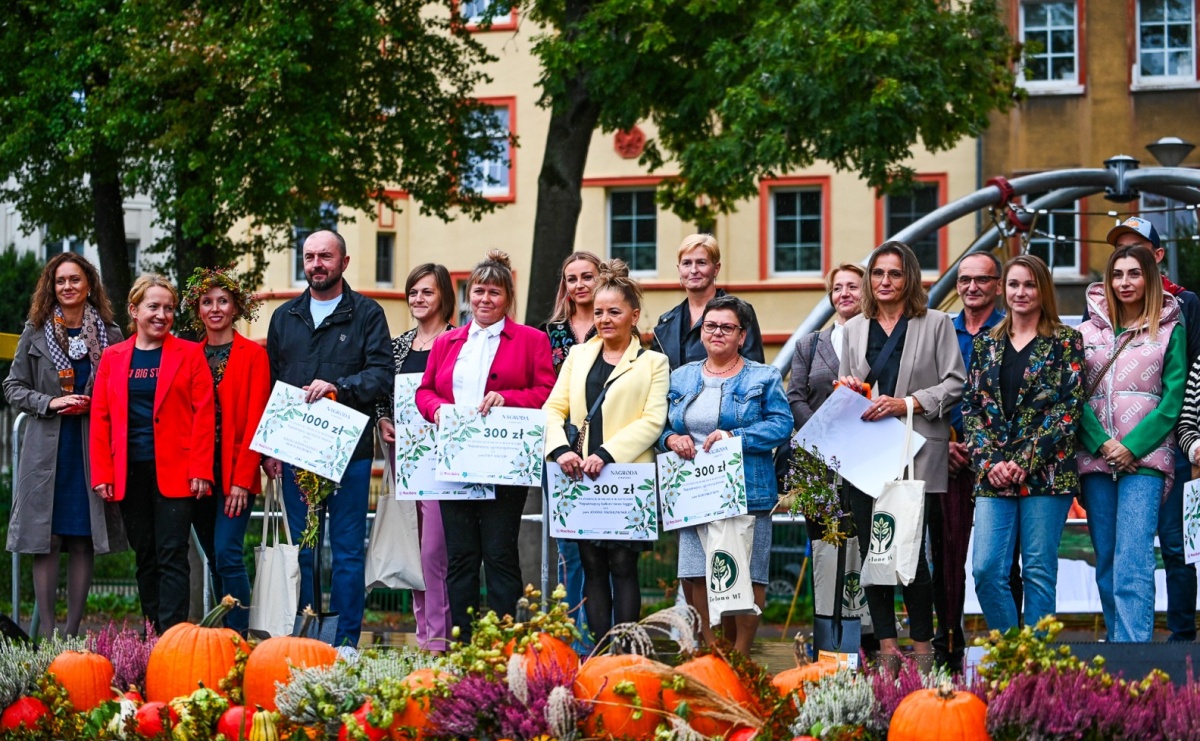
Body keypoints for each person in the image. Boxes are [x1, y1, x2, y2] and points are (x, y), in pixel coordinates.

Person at [415, 249, 556, 641]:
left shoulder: (531, 340)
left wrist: (508, 398)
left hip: (503, 462)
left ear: (507, 297)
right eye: (478, 291)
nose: (484, 300)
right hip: (456, 461)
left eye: (494, 293)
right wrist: (438, 410)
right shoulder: (448, 342)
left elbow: (546, 389)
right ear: (467, 295)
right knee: (460, 558)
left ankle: (502, 643)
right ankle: (461, 644)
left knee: (499, 554)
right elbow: (425, 391)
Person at [837, 241, 965, 671]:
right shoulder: (854, 328)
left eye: (894, 273)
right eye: (878, 274)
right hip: (867, 454)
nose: (885, 282)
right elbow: (845, 384)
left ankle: (924, 646)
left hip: (917, 453)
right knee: (874, 556)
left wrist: (906, 402)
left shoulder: (935, 324)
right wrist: (851, 392)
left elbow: (955, 383)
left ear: (909, 277)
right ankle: (888, 647)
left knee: (911, 554)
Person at [265, 230, 392, 648]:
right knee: (301, 553)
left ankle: (343, 643)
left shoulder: (368, 314)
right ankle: (303, 639)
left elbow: (380, 375)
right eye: (310, 256)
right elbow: (272, 385)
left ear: (344, 262)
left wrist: (338, 386)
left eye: (325, 256)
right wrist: (269, 451)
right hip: (295, 453)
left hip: (349, 454)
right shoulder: (285, 317)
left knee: (347, 554)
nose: (317, 264)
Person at [543, 260, 669, 648]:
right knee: (593, 568)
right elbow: (553, 409)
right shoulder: (579, 356)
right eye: (598, 312)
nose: (604, 319)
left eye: (614, 312)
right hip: (580, 477)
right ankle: (598, 655)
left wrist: (607, 453)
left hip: (626, 479)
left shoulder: (653, 362)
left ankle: (628, 653)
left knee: (623, 566)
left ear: (634, 315)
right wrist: (561, 450)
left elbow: (653, 421)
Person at [660, 295, 793, 655]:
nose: (717, 332)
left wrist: (736, 437)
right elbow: (660, 427)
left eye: (727, 327)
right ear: (702, 332)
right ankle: (711, 651)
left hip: (746, 489)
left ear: (742, 335)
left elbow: (783, 425)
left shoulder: (763, 377)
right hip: (692, 491)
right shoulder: (681, 376)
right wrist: (672, 437)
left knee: (746, 572)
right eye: (710, 325)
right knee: (694, 572)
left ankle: (741, 652)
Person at [4, 254, 126, 637]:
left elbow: (121, 390)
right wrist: (51, 402)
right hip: (46, 449)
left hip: (90, 447)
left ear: (89, 284)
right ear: (51, 287)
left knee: (82, 536)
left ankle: (72, 636)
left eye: (75, 279)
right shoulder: (36, 331)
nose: (68, 287)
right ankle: (47, 636)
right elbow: (12, 387)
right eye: (61, 281)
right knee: (47, 538)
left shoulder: (111, 334)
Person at [962, 255, 1085, 633]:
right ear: (1003, 288)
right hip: (994, 476)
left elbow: (1069, 408)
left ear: (1043, 289)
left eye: (1029, 285)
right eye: (1014, 284)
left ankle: (1035, 670)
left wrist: (1024, 459)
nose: (1021, 292)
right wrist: (991, 461)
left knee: (1037, 571)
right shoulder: (986, 344)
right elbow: (971, 407)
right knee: (986, 570)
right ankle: (1013, 652)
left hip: (1046, 476)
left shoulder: (1066, 341)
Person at [90, 274, 214, 632]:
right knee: (145, 556)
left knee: (172, 555)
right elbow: (101, 417)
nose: (162, 314)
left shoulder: (190, 354)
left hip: (177, 471)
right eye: (154, 307)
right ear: (134, 310)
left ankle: (173, 636)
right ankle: (151, 635)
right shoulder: (113, 358)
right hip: (129, 471)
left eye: (169, 308)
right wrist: (102, 474)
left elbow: (204, 414)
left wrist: (201, 468)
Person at [1077, 242, 1186, 643]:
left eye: (1134, 274)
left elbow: (1172, 400)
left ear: (1150, 278)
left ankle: (1135, 654)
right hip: (1095, 458)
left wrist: (1131, 447)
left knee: (1134, 557)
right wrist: (1103, 444)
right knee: (1105, 558)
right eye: (1118, 274)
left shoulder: (1171, 330)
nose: (1125, 282)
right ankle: (1117, 643)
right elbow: (1073, 396)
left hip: (1145, 461)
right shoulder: (1084, 332)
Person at [1105, 217, 1200, 644]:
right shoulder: (1098, 317)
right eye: (1119, 252)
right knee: (1123, 553)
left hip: (1177, 439)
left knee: (1176, 545)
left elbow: (1185, 377)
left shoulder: (1185, 306)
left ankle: (1181, 637)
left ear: (1157, 257)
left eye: (1137, 250)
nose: (1126, 261)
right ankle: (1123, 639)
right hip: (1111, 449)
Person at [938, 250, 1015, 672]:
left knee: (1002, 563)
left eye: (981, 280)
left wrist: (989, 451)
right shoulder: (942, 332)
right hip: (946, 455)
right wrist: (939, 446)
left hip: (998, 461)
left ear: (997, 285)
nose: (971, 287)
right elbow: (925, 391)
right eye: (964, 279)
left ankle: (1011, 649)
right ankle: (949, 645)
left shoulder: (1011, 330)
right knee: (945, 559)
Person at [182, 266, 270, 635]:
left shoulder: (253, 355)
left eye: (222, 301)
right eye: (207, 302)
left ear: (236, 307)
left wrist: (243, 479)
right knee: (215, 559)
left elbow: (257, 420)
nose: (215, 308)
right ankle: (221, 635)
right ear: (198, 310)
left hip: (235, 472)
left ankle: (239, 634)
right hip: (197, 474)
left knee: (228, 552)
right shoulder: (187, 355)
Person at [377, 263, 456, 652]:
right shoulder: (398, 346)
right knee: (412, 550)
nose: (418, 299)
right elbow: (382, 396)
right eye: (413, 292)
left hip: (446, 463)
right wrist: (383, 420)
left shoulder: (460, 341)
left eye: (427, 291)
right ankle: (423, 636)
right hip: (404, 458)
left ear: (443, 295)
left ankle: (439, 641)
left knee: (434, 553)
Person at [540, 251, 602, 646]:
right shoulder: (548, 333)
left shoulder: (615, 323)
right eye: (572, 278)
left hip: (606, 450)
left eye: (587, 276)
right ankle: (571, 639)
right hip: (561, 448)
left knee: (605, 549)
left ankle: (602, 635)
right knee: (569, 549)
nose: (580, 285)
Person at [651, 234, 765, 370]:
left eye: (701, 263)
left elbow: (755, 372)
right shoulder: (666, 323)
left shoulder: (740, 311)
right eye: (687, 263)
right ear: (679, 269)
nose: (693, 270)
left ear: (716, 269)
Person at [787, 263, 865, 428]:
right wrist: (819, 431)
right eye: (837, 289)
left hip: (867, 439)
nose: (844, 294)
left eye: (852, 287)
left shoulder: (880, 340)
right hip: (818, 444)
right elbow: (795, 398)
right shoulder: (807, 345)